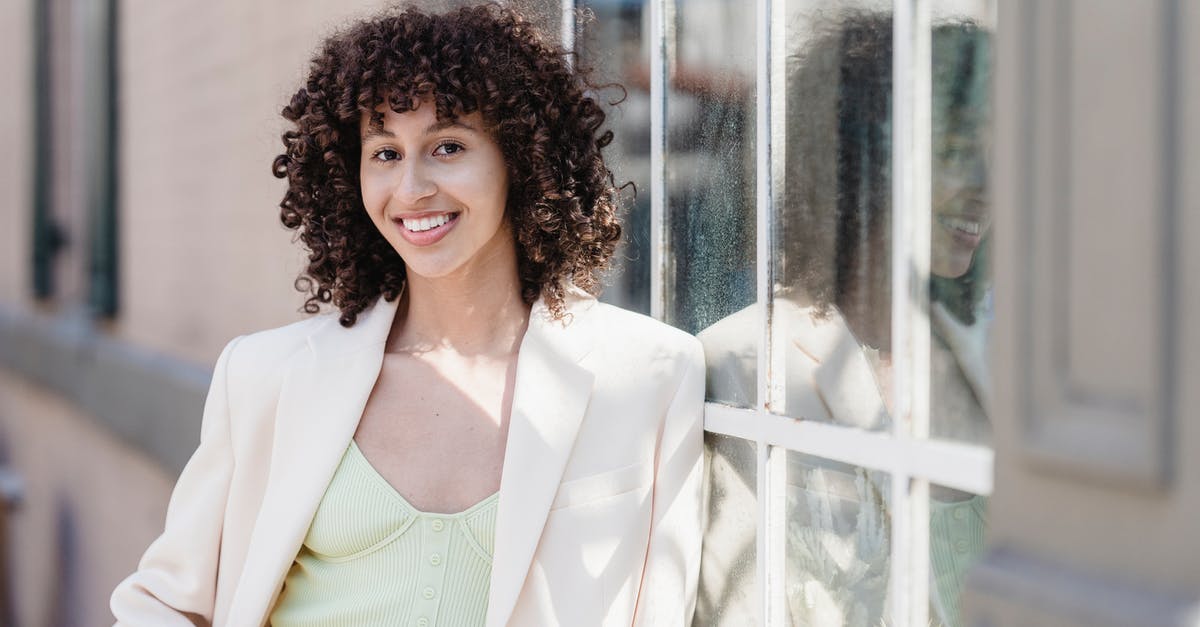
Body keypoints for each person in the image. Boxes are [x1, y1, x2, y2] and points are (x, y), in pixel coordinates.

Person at [110, 5, 705, 626]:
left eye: (448, 146)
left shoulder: (650, 375)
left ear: (521, 159)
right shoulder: (265, 376)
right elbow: (164, 603)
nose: (412, 188)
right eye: (385, 152)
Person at [694, 11, 991, 627]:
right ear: (864, 153)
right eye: (959, 153)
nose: (989, 186)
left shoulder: (1003, 353)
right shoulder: (743, 363)